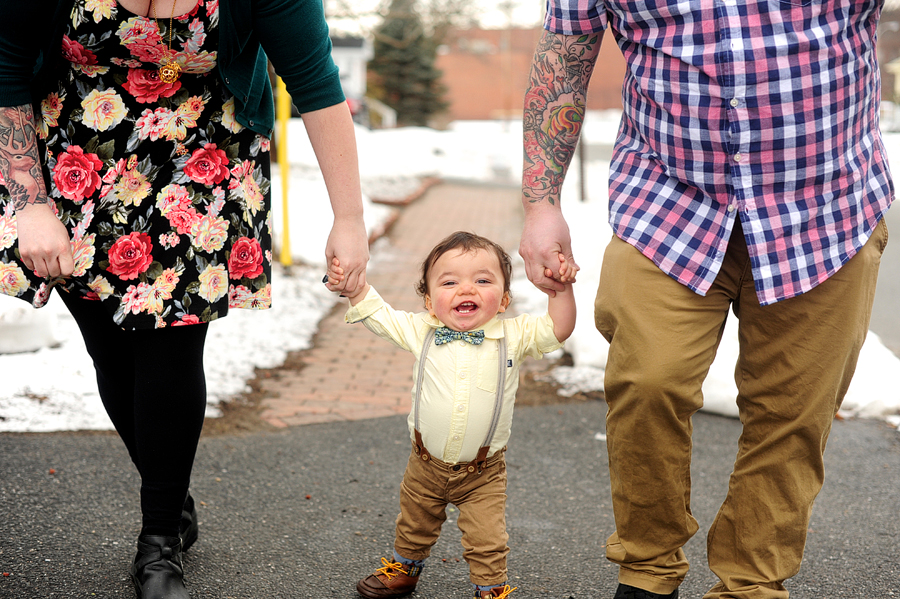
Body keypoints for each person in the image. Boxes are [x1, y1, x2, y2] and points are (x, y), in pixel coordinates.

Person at [519, 1, 891, 598]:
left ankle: (750, 583)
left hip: (827, 208)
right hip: (666, 201)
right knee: (648, 380)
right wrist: (541, 202)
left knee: (791, 414)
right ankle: (647, 570)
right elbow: (563, 61)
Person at [0, 1, 369, 598]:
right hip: (73, 148)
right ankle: (169, 488)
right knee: (111, 352)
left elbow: (317, 84)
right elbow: (7, 60)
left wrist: (349, 218)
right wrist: (31, 202)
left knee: (169, 344)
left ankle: (159, 542)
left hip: (204, 154)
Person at [326, 231, 576, 599]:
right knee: (414, 523)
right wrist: (353, 288)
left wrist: (560, 291)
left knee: (488, 538)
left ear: (505, 298)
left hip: (483, 472)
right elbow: (380, 315)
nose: (466, 290)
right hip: (424, 463)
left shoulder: (514, 336)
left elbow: (559, 327)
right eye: (449, 282)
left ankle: (490, 588)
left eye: (483, 280)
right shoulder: (422, 331)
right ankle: (404, 569)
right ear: (429, 301)